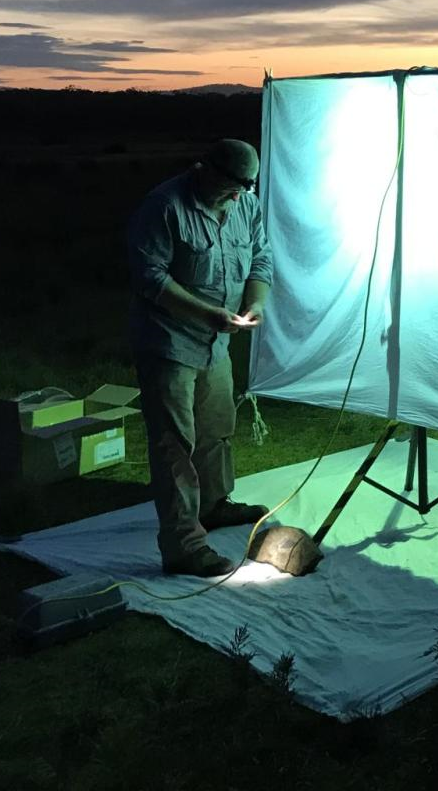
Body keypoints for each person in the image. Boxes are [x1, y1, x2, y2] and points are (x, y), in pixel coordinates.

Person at [126, 138, 274, 577]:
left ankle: (214, 505)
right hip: (170, 343)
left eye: (246, 187)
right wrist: (206, 312)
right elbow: (149, 277)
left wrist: (257, 304)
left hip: (217, 345)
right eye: (232, 186)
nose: (238, 195)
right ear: (204, 170)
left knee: (214, 430)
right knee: (175, 445)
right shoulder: (164, 207)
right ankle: (183, 545)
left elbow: (260, 258)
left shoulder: (246, 204)